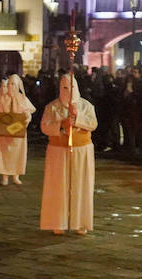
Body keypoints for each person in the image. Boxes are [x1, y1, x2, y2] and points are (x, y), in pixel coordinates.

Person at [39, 72, 98, 235]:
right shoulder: (52, 107)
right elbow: (44, 126)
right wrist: (61, 125)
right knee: (58, 186)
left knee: (81, 185)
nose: (68, 91)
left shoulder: (86, 106)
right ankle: (58, 221)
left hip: (81, 151)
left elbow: (93, 124)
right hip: (58, 151)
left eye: (71, 87)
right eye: (65, 87)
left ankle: (80, 222)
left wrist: (78, 118)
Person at [0, 75, 33, 185]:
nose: (10, 86)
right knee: (4, 153)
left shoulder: (23, 99)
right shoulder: (0, 99)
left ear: (18, 85)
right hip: (4, 131)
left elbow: (28, 114)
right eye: (9, 84)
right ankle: (5, 176)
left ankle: (16, 175)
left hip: (18, 130)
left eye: (13, 84)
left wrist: (26, 119)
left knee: (18, 153)